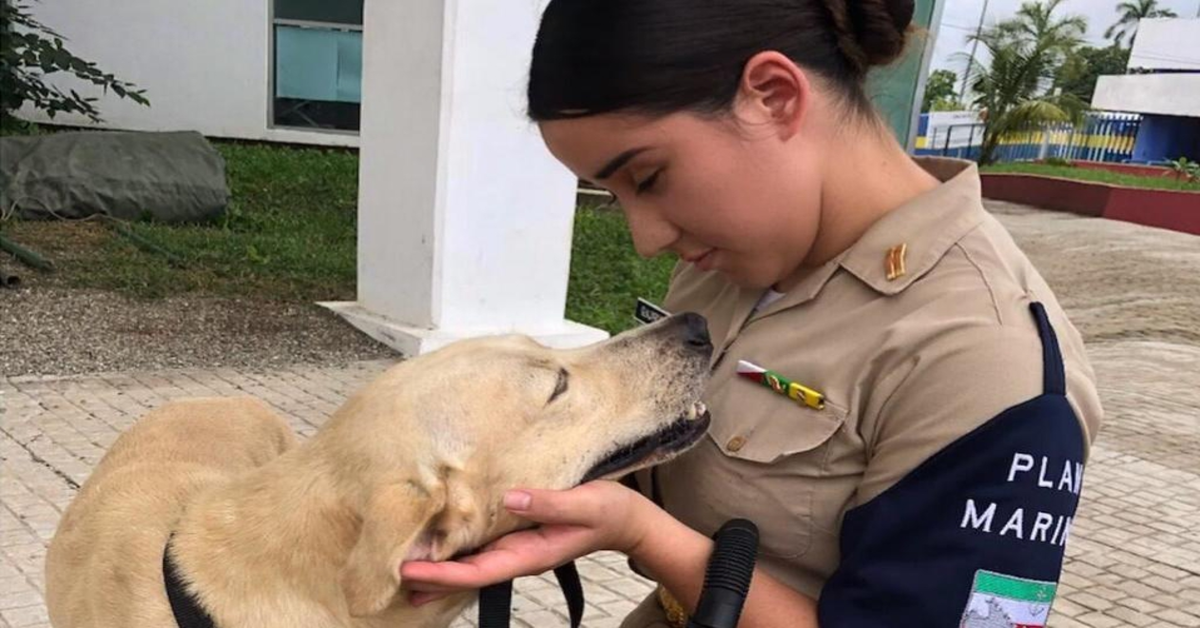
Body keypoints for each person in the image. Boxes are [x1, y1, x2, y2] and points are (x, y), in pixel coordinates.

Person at [401, 1, 1103, 625]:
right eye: (614, 195)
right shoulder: (730, 269)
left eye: (648, 178)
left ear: (773, 96)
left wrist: (644, 535)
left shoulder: (986, 360)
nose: (647, 239)